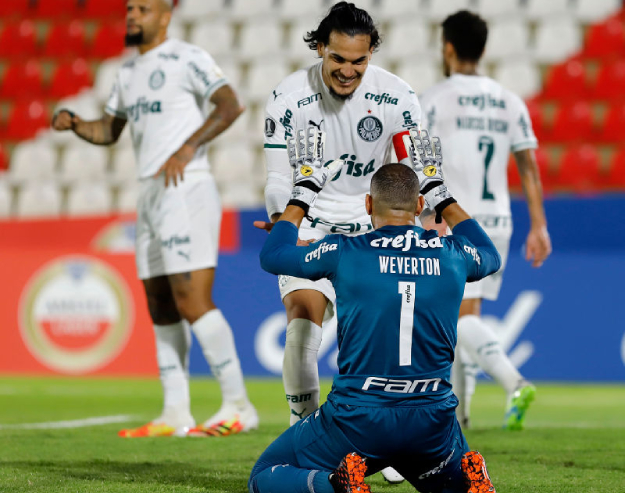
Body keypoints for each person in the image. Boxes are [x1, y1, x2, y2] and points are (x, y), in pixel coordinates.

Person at [250, 127, 499, 493]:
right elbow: (489, 255)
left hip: (358, 420)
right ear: (419, 207)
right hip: (431, 422)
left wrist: (302, 193)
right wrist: (440, 193)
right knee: (447, 474)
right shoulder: (453, 255)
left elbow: (272, 255)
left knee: (266, 472)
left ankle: (337, 483)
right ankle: (464, 482)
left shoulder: (345, 252)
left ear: (368, 205)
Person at [52, 0, 257, 437]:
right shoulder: (125, 73)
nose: (132, 15)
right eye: (130, 8)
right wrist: (75, 123)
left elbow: (229, 105)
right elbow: (109, 131)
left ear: (165, 15)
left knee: (191, 300)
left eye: (143, 9)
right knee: (160, 303)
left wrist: (187, 148)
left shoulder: (187, 56)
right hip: (149, 191)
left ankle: (238, 405)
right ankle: (175, 412)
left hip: (186, 186)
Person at [262, 1, 422, 428]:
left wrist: (425, 217)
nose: (348, 70)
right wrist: (283, 218)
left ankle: (383, 439)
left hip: (372, 224)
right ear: (319, 48)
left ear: (372, 54)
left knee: (381, 339)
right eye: (338, 58)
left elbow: (412, 171)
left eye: (359, 61)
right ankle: (305, 432)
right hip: (310, 221)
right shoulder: (288, 97)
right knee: (301, 326)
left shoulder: (398, 96)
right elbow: (278, 177)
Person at [419, 10, 552, 430]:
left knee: (456, 319)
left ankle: (513, 382)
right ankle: (462, 415)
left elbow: (419, 162)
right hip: (499, 220)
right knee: (465, 315)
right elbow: (528, 166)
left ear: (448, 48)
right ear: (483, 49)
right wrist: (539, 225)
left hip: (454, 218)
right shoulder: (508, 100)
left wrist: (425, 214)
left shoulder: (434, 98)